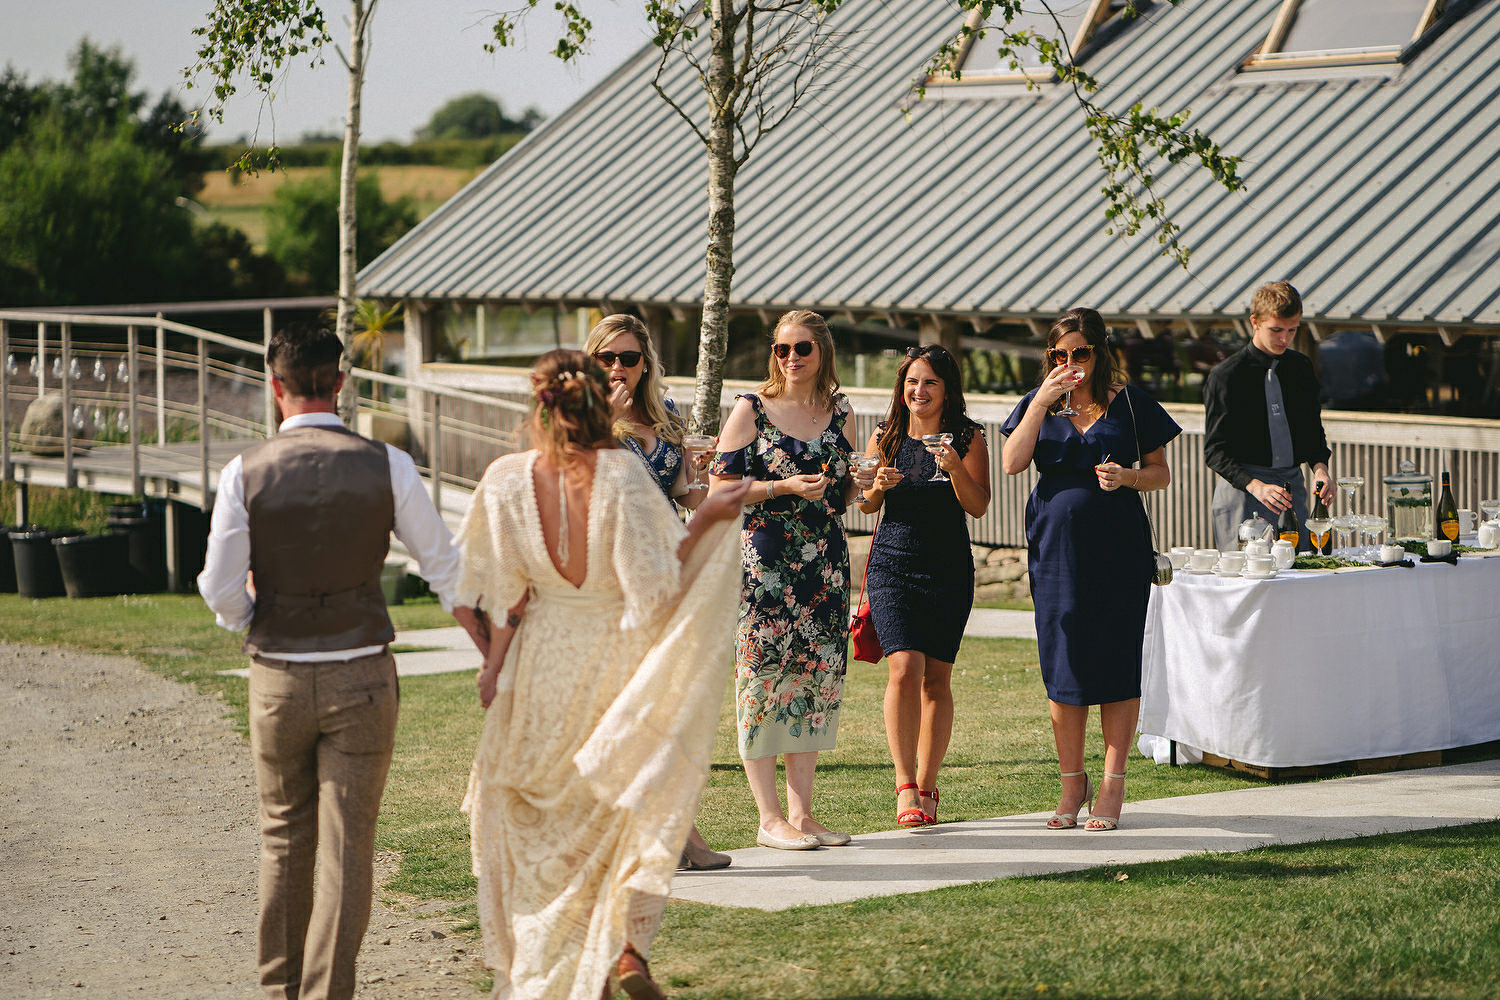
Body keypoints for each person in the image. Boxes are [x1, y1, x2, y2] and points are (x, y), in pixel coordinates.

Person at [197, 322, 485, 1000]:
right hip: (361, 673)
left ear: (276, 387)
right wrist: (491, 650)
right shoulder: (388, 465)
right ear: (340, 381)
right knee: (349, 848)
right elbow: (445, 569)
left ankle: (280, 991)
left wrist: (252, 620)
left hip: (278, 673)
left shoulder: (245, 471)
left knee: (282, 839)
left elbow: (216, 585)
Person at [457, 350, 749, 1000]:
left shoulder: (504, 479)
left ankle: (552, 963)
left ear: (539, 406)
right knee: (620, 815)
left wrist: (494, 665)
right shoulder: (620, 474)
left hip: (538, 668)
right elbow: (659, 584)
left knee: (540, 827)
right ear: (598, 400)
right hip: (610, 665)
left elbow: (492, 592)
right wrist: (706, 518)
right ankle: (625, 951)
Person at [999, 308, 1180, 832]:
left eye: (1081, 352)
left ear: (1100, 352)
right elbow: (1012, 462)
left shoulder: (1130, 402)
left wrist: (1127, 476)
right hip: (1055, 553)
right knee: (1064, 664)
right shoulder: (1041, 404)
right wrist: (1041, 401)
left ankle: (1111, 784)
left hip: (1119, 550)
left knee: (1117, 661)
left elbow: (1161, 473)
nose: (1071, 362)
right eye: (1060, 354)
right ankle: (1070, 782)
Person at [707, 309, 871, 851]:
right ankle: (768, 816)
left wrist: (867, 483)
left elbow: (843, 494)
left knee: (817, 681)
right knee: (762, 683)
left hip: (824, 565)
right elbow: (719, 489)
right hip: (765, 569)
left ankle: (802, 814)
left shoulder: (841, 411)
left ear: (822, 352)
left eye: (802, 348)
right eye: (782, 349)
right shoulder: (751, 409)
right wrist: (780, 490)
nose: (792, 358)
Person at [583, 313, 729, 873]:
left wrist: (700, 476)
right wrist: (604, 421)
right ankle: (671, 836)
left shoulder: (667, 417)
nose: (618, 369)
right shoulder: (583, 419)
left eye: (629, 358)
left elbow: (683, 496)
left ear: (646, 363)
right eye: (607, 358)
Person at [856, 344, 990, 828]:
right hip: (892, 565)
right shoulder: (886, 435)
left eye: (930, 382)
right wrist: (877, 488)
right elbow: (866, 504)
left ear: (947, 389)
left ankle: (930, 784)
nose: (919, 390)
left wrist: (955, 466)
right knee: (903, 669)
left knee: (937, 679)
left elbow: (978, 506)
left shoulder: (970, 438)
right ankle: (905, 784)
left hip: (949, 568)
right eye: (912, 381)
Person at [1203, 280, 1334, 550]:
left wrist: (1321, 470)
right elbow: (1214, 451)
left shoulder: (1300, 367)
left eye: (1292, 330)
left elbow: (1312, 432)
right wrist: (1255, 486)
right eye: (1276, 330)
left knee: (1299, 578)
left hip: (1291, 491)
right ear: (1255, 322)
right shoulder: (1225, 376)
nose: (1284, 339)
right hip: (1242, 494)